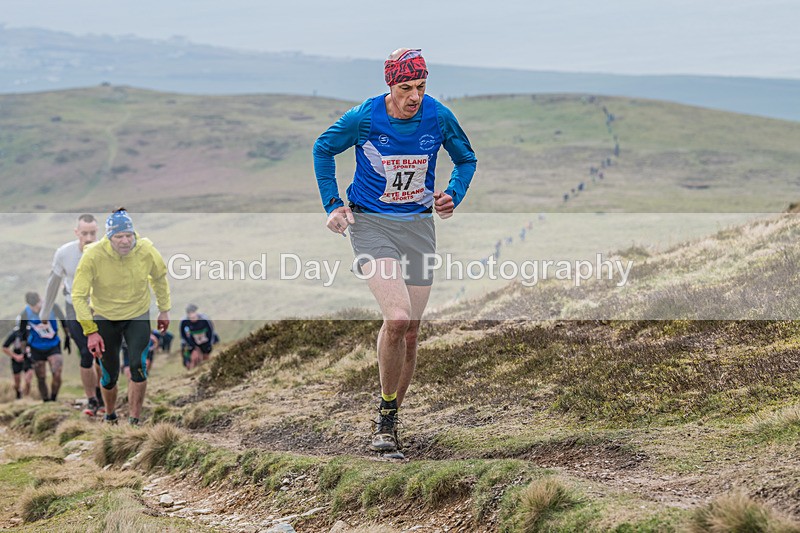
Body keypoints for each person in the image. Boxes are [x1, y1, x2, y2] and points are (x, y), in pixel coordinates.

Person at [313, 48, 477, 456]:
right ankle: (386, 419)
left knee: (413, 331)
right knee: (398, 317)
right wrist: (333, 204)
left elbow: (466, 159)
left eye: (421, 87)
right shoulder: (364, 117)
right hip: (371, 224)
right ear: (390, 85)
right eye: (406, 88)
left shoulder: (438, 116)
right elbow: (322, 148)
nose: (415, 96)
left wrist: (452, 194)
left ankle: (389, 421)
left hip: (419, 227)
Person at [72, 208, 171, 425]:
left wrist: (164, 309)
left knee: (138, 365)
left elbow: (159, 277)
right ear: (109, 237)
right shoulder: (93, 255)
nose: (125, 241)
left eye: (129, 235)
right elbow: (78, 296)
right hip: (105, 318)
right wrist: (90, 331)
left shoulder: (146, 250)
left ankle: (135, 421)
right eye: (119, 236)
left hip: (137, 315)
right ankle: (110, 415)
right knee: (109, 375)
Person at [38, 213, 105, 416]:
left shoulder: (105, 250)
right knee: (86, 352)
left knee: (101, 353)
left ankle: (103, 395)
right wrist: (45, 311)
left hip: (99, 307)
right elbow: (53, 283)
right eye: (84, 233)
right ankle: (92, 400)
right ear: (77, 233)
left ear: (97, 231)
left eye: (93, 233)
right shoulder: (64, 253)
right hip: (73, 307)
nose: (89, 237)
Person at [16, 292, 68, 402]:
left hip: (53, 345)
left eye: (38, 305)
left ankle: (53, 398)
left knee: (57, 373)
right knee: (41, 377)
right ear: (29, 305)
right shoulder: (25, 313)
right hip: (36, 347)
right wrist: (24, 352)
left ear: (41, 300)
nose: (37, 309)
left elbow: (64, 321)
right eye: (34, 307)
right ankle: (46, 401)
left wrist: (67, 337)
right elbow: (22, 334)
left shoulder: (52, 306)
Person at [180, 304, 217, 370]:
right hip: (191, 343)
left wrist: (208, 346)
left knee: (205, 359)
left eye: (193, 313)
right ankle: (191, 372)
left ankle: (205, 370)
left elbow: (211, 333)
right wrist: (193, 348)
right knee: (193, 359)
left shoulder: (205, 320)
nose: (192, 316)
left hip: (205, 342)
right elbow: (183, 336)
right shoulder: (184, 322)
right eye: (190, 314)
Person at [2, 324, 33, 399]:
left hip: (28, 357)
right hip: (17, 357)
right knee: (17, 381)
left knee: (28, 380)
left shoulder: (32, 332)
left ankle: (26, 398)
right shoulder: (14, 333)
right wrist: (15, 356)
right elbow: (4, 347)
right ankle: (18, 394)